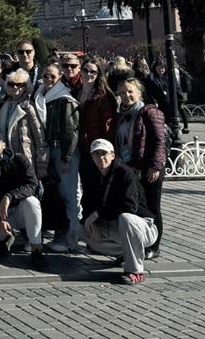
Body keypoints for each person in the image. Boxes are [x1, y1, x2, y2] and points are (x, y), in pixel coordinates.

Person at [82, 139, 158, 286]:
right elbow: (86, 203)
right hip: (116, 223)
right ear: (92, 157)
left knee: (126, 218)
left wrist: (97, 214)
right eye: (96, 154)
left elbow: (129, 207)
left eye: (104, 153)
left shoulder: (125, 173)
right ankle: (124, 253)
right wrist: (90, 221)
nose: (101, 158)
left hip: (143, 226)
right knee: (80, 228)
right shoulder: (91, 173)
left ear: (112, 155)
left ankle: (135, 271)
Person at [0, 129, 46, 268]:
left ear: (4, 144)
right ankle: (6, 237)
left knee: (32, 202)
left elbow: (32, 185)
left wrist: (10, 196)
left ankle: (36, 248)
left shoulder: (19, 159)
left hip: (19, 209)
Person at [114, 77, 168, 257]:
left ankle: (154, 246)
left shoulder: (149, 112)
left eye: (130, 91)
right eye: (122, 92)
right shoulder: (121, 114)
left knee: (152, 207)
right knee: (136, 206)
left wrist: (155, 166)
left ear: (139, 93)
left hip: (148, 167)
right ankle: (138, 242)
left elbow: (159, 140)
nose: (126, 95)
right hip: (129, 167)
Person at [36, 63, 81, 252]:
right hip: (49, 150)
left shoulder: (65, 100)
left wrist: (66, 157)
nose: (48, 79)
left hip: (62, 151)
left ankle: (71, 239)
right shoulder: (40, 96)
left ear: (60, 77)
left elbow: (71, 131)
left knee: (68, 195)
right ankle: (60, 235)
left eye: (52, 76)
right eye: (45, 76)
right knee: (56, 195)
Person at [77, 57, 117, 218]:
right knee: (84, 188)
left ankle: (97, 224)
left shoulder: (103, 97)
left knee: (95, 189)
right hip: (78, 147)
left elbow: (108, 128)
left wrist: (105, 152)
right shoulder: (75, 92)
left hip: (96, 149)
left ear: (99, 74)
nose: (88, 74)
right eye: (85, 70)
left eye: (93, 71)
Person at [0, 68, 47, 180]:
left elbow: (40, 137)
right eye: (11, 84)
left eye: (19, 84)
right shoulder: (4, 107)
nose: (15, 87)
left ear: (25, 87)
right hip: (8, 158)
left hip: (26, 157)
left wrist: (42, 165)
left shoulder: (29, 107)